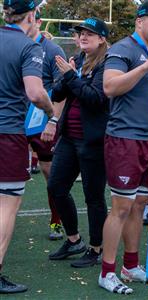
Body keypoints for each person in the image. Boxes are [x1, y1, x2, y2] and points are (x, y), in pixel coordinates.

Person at [100, 0, 148, 294]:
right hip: (125, 138)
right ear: (139, 22)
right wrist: (146, 66)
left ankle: (131, 265)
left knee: (140, 204)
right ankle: (107, 271)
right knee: (121, 206)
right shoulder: (123, 49)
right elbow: (110, 87)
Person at [47, 17, 110, 268]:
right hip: (69, 137)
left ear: (102, 38)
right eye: (81, 33)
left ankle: (96, 248)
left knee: (93, 197)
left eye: (89, 33)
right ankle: (74, 240)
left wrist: (72, 77)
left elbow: (95, 98)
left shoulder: (108, 63)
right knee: (56, 186)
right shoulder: (80, 60)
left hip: (92, 140)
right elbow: (57, 93)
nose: (83, 36)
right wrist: (68, 77)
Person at [0, 0, 54, 293]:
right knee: (7, 205)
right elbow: (35, 93)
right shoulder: (28, 45)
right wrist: (50, 112)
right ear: (32, 15)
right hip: (7, 132)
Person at [27, 10, 67, 240]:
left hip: (41, 117)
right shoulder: (12, 44)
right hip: (13, 118)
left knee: (49, 172)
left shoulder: (52, 49)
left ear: (38, 21)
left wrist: (52, 119)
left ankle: (56, 220)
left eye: (29, 18)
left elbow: (61, 89)